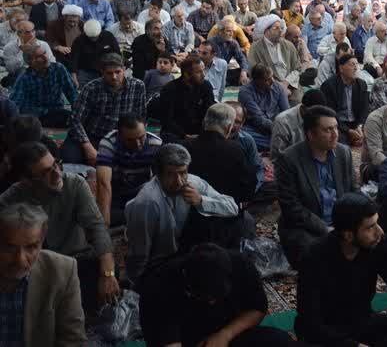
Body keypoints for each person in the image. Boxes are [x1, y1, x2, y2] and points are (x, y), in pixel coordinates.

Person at [295, 193, 387, 347]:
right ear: (348, 235)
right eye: (370, 227)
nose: (380, 232)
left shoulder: (380, 244)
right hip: (325, 332)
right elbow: (311, 322)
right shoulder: (313, 256)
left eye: (377, 222)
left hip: (361, 321)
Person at [0, 142, 118, 311]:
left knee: (105, 270)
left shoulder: (75, 184)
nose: (57, 174)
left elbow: (96, 228)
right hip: (33, 267)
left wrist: (108, 274)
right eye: (45, 173)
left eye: (56, 164)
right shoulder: (12, 198)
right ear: (27, 181)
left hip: (75, 260)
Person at [138, 242, 295, 347]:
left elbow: (257, 309)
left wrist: (225, 335)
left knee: (279, 341)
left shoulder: (241, 265)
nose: (213, 302)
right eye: (206, 297)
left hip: (227, 334)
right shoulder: (158, 287)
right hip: (187, 341)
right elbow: (169, 342)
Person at [124, 143, 239, 284]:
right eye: (171, 174)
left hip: (184, 249)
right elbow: (140, 251)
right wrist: (137, 282)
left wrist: (201, 201)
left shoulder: (192, 183)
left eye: (183, 173)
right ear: (158, 174)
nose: (179, 181)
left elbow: (232, 207)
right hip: (161, 261)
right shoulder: (148, 202)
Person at [275, 106, 357, 269]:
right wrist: (326, 229)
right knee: (317, 257)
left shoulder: (343, 153)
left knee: (374, 240)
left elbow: (353, 191)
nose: (335, 134)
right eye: (328, 130)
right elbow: (292, 207)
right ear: (311, 134)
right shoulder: (289, 159)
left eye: (336, 128)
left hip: (339, 221)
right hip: (306, 226)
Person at [0, 203, 85, 346]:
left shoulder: (62, 271)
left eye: (31, 247)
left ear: (41, 241)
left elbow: (73, 339)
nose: (20, 260)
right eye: (9, 248)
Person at [64, 53, 146, 165]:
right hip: (90, 135)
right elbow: (75, 120)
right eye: (109, 73)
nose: (114, 77)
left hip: (120, 137)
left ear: (124, 70)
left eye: (118, 72)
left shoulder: (138, 86)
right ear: (102, 72)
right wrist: (87, 146)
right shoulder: (91, 88)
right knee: (69, 162)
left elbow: (140, 117)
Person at [184, 103, 258, 207]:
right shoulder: (235, 150)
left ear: (204, 123)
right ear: (228, 127)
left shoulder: (185, 146)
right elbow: (248, 188)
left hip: (188, 207)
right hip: (224, 209)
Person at [96, 114, 163, 227]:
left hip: (141, 194)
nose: (138, 144)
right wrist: (104, 223)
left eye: (141, 137)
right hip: (115, 193)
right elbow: (103, 184)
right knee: (96, 216)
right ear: (119, 135)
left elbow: (160, 181)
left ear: (146, 128)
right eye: (130, 140)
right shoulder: (109, 143)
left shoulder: (156, 144)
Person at [8, 43, 77, 130]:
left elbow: (72, 91)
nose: (46, 57)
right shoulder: (24, 77)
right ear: (31, 62)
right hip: (36, 114)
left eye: (44, 53)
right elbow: (15, 103)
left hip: (56, 110)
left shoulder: (58, 69)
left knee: (72, 118)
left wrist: (77, 110)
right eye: (40, 56)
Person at [152, 56, 216, 142]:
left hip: (199, 131)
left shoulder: (206, 86)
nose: (203, 75)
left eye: (203, 70)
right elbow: (167, 120)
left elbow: (209, 112)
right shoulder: (169, 89)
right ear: (186, 74)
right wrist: (185, 136)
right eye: (198, 72)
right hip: (176, 133)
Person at [239, 63, 291, 151]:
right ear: (257, 81)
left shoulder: (278, 87)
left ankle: (278, 143)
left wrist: (284, 128)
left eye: (272, 77)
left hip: (276, 126)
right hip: (255, 128)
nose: (272, 81)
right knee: (243, 136)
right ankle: (280, 143)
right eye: (267, 79)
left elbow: (286, 113)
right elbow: (259, 119)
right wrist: (279, 130)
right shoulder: (245, 92)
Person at [271, 89, 327, 158]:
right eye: (315, 114)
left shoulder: (322, 116)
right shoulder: (283, 122)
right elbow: (277, 156)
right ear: (303, 109)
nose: (318, 118)